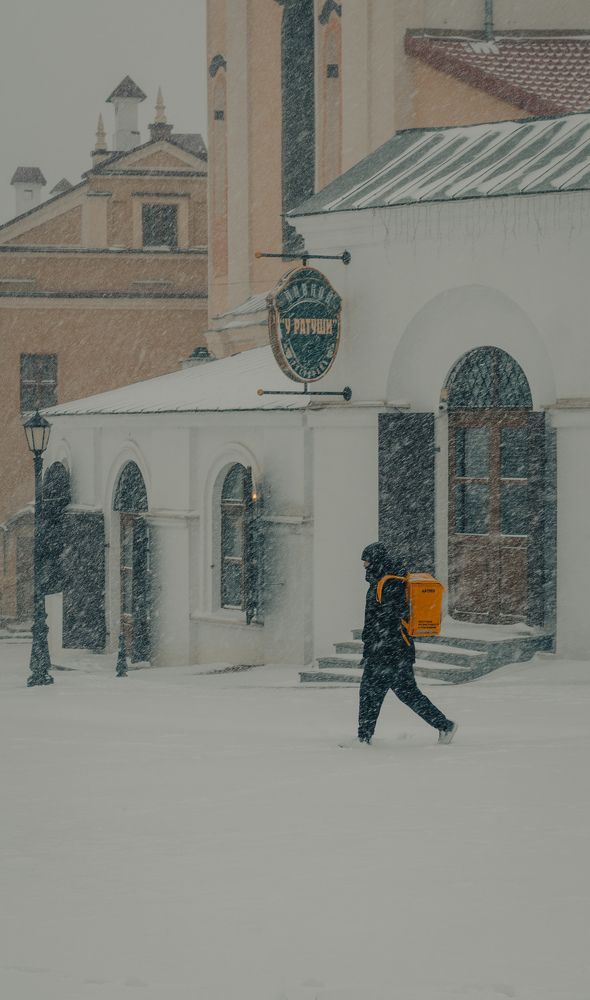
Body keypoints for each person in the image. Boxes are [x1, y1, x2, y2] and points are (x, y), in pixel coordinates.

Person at [357, 542, 458, 745]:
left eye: (366, 561)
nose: (364, 566)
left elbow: (386, 620)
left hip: (388, 652)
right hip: (394, 651)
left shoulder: (388, 584)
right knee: (406, 693)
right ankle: (444, 725)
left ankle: (363, 738)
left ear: (375, 561)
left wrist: (375, 648)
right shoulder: (387, 581)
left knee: (371, 693)